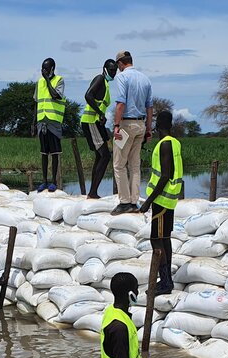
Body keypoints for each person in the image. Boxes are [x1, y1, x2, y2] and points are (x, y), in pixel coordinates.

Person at [139, 111, 182, 295]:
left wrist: (148, 201)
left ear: (157, 126)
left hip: (162, 199)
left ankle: (165, 281)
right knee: (163, 238)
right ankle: (165, 279)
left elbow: (164, 176)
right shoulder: (175, 142)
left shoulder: (165, 145)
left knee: (157, 239)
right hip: (168, 198)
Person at [111, 51, 153, 213]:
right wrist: (149, 129)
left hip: (126, 125)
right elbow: (150, 107)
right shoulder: (145, 79)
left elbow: (121, 103)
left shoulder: (122, 78)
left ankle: (124, 202)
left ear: (121, 63)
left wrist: (116, 125)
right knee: (135, 165)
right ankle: (134, 200)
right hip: (141, 124)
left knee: (119, 164)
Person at [82, 59, 117, 200]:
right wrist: (100, 113)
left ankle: (92, 191)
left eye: (115, 71)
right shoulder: (100, 79)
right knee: (105, 155)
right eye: (111, 70)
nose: (113, 73)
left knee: (100, 155)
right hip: (90, 121)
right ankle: (93, 192)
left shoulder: (106, 84)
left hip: (97, 123)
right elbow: (88, 95)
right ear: (105, 69)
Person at [34, 58, 65, 192]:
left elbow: (55, 95)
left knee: (55, 153)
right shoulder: (39, 82)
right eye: (42, 69)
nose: (44, 71)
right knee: (44, 153)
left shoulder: (59, 80)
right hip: (42, 122)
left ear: (52, 69)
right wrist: (33, 122)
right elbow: (36, 103)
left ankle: (54, 181)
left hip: (54, 122)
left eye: (46, 69)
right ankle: (44, 181)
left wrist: (47, 79)